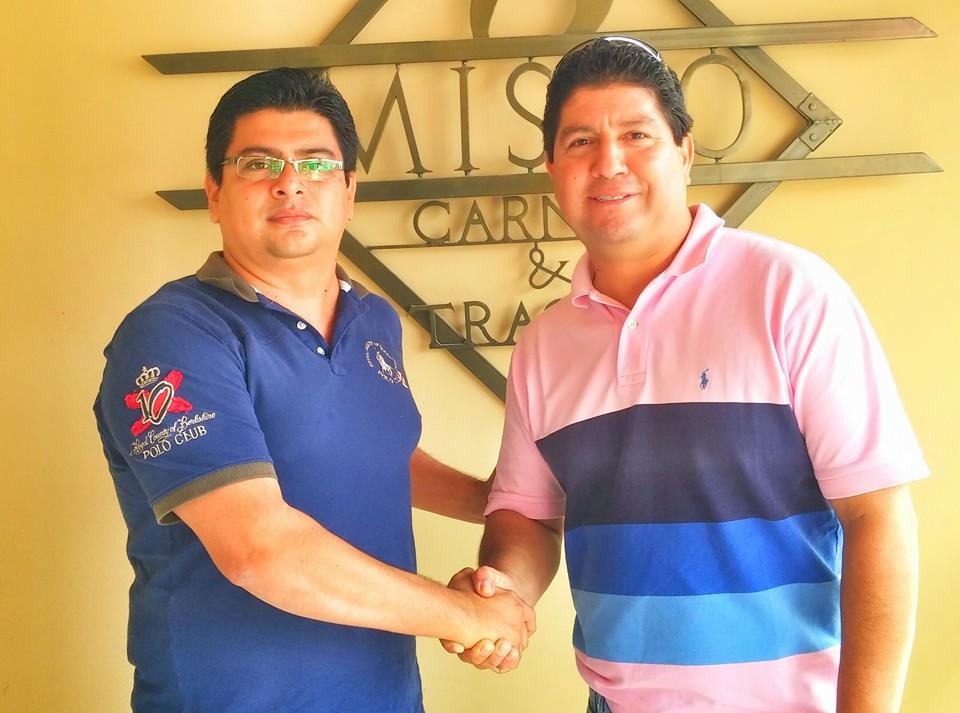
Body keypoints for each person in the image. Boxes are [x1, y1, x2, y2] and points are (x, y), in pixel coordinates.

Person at [446, 37, 927, 713]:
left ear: (685, 151)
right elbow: (527, 515)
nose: (609, 162)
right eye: (581, 141)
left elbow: (877, 515)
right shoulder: (544, 345)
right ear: (552, 167)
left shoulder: (788, 291)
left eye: (636, 135)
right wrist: (502, 594)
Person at [93, 67, 533, 713]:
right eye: (258, 163)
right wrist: (466, 616)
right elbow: (259, 549)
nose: (290, 182)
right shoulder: (175, 333)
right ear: (214, 191)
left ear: (349, 191)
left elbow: (367, 451)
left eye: (317, 164)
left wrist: (502, 503)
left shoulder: (373, 319)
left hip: (384, 692)